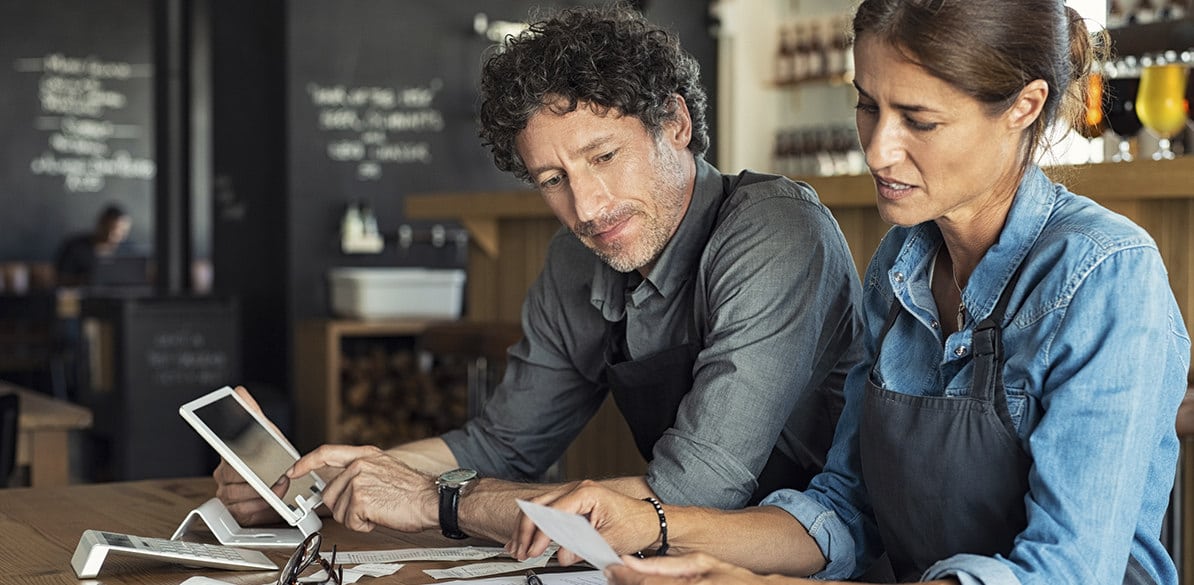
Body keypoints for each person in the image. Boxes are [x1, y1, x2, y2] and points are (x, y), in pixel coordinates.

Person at [516, 1, 1190, 584]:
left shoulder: (1105, 273)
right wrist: (654, 524)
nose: (877, 149)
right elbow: (843, 510)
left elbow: (1067, 572)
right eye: (869, 106)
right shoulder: (901, 263)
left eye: (918, 119)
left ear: (1024, 106)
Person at [214, 4, 864, 545]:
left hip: (818, 558)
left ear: (676, 123)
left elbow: (691, 494)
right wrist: (324, 482)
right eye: (553, 180)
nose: (585, 207)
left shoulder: (774, 231)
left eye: (604, 156)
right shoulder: (576, 258)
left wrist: (438, 501)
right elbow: (503, 441)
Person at [54, 203, 133, 287]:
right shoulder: (75, 247)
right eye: (112, 229)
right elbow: (60, 277)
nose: (115, 235)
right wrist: (85, 279)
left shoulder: (129, 250)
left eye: (122, 231)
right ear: (101, 224)